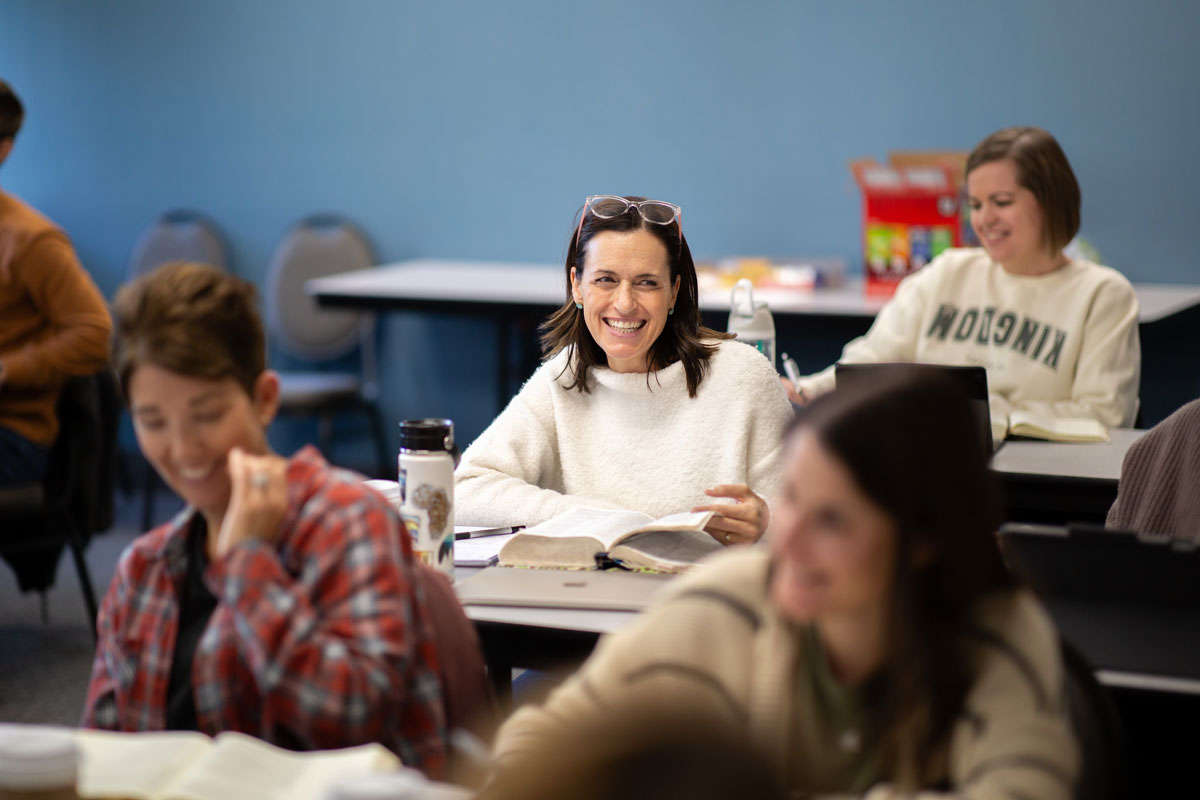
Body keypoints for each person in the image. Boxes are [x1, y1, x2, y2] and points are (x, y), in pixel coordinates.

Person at [493, 370, 1079, 798]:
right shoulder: (729, 599)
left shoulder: (996, 634)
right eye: (791, 499)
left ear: (924, 541)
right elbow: (542, 738)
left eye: (832, 520)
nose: (789, 544)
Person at [82, 263, 451, 774]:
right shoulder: (143, 570)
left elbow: (357, 719)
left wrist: (246, 565)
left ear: (264, 400)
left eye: (207, 414)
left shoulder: (347, 521)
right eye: (153, 421)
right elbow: (102, 757)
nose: (184, 448)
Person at [455, 195, 794, 545]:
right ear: (577, 285)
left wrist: (767, 520)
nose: (625, 303)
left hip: (706, 589)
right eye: (606, 280)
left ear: (674, 291)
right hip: (587, 593)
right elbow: (466, 488)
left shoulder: (741, 376)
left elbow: (810, 515)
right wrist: (601, 518)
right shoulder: (564, 376)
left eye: (647, 283)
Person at [786, 126, 1140, 437]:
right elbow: (870, 361)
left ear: (1050, 201)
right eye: (975, 204)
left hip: (1045, 481)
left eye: (1001, 202)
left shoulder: (1103, 295)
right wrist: (805, 391)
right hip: (928, 466)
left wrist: (993, 417)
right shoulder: (948, 272)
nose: (984, 219)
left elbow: (1105, 415)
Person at [0, 79, 111, 487]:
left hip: (14, 435)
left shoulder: (30, 240)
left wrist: (6, 369)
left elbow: (94, 332)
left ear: (4, 149)